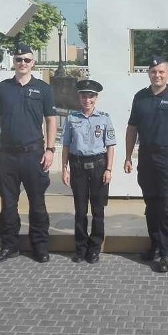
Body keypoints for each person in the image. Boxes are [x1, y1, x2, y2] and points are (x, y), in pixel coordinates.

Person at [124, 56, 168, 273]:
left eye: (162, 72)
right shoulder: (140, 97)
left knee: (167, 208)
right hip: (146, 157)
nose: (157, 75)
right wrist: (128, 157)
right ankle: (155, 245)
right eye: (154, 72)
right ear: (148, 74)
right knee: (151, 206)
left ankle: (167, 253)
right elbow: (132, 129)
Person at [0, 44, 58, 264]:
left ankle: (40, 246)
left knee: (37, 203)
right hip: (8, 155)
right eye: (19, 59)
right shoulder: (3, 88)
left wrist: (50, 149)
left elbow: (51, 120)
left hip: (34, 154)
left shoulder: (44, 89)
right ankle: (9, 246)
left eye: (27, 60)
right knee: (8, 205)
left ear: (33, 63)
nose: (23, 63)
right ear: (14, 62)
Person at [60, 79, 116, 264]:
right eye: (84, 96)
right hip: (78, 167)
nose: (87, 100)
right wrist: (64, 169)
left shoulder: (104, 118)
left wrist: (108, 169)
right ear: (79, 97)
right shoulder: (71, 118)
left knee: (98, 210)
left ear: (96, 98)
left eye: (91, 96)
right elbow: (66, 145)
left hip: (99, 167)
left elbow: (110, 146)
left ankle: (94, 248)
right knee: (80, 210)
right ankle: (81, 247)